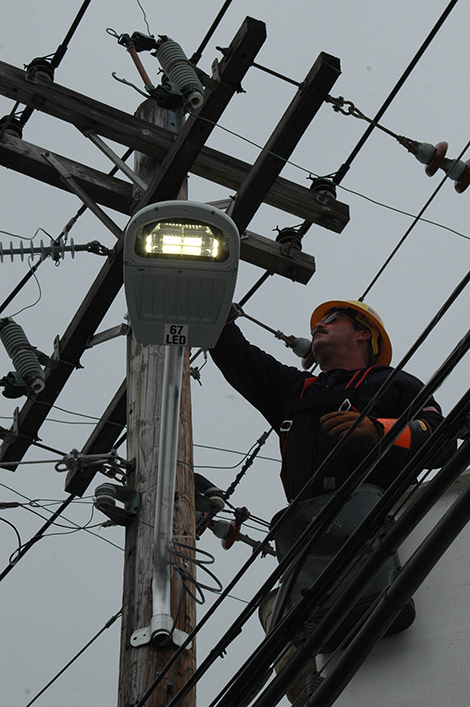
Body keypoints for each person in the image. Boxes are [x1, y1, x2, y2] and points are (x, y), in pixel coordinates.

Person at [210, 299, 450, 702]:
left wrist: (379, 430)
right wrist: (217, 309)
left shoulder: (391, 383)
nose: (319, 324)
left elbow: (440, 437)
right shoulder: (296, 390)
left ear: (363, 334)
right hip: (309, 537)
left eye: (333, 319)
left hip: (372, 523)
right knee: (299, 649)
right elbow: (236, 356)